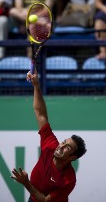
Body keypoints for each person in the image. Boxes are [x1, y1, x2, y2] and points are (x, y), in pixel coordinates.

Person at [11, 70, 87, 202]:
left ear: (73, 157)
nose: (61, 146)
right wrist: (36, 86)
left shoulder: (68, 180)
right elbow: (40, 114)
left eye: (67, 148)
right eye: (64, 142)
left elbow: (46, 200)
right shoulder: (50, 145)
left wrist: (26, 182)